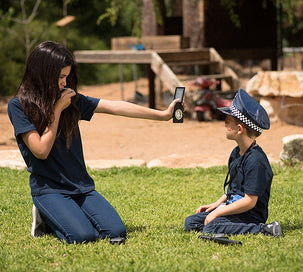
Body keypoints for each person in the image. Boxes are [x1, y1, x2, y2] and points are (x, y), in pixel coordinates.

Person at [7, 41, 180, 244]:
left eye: (66, 77)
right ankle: (45, 217)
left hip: (81, 186)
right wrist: (57, 110)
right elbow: (41, 150)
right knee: (82, 237)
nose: (64, 83)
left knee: (116, 232)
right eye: (60, 77)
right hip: (49, 188)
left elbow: (113, 106)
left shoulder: (69, 98)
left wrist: (163, 115)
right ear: (42, 74)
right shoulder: (19, 106)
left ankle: (67, 215)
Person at [183, 89, 282, 237]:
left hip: (249, 214)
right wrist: (216, 205)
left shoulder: (256, 161)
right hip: (232, 208)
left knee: (211, 227)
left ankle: (264, 229)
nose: (224, 125)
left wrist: (218, 213)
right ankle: (221, 223)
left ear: (240, 129)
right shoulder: (236, 153)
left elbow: (250, 201)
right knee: (190, 222)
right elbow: (233, 190)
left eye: (227, 121)